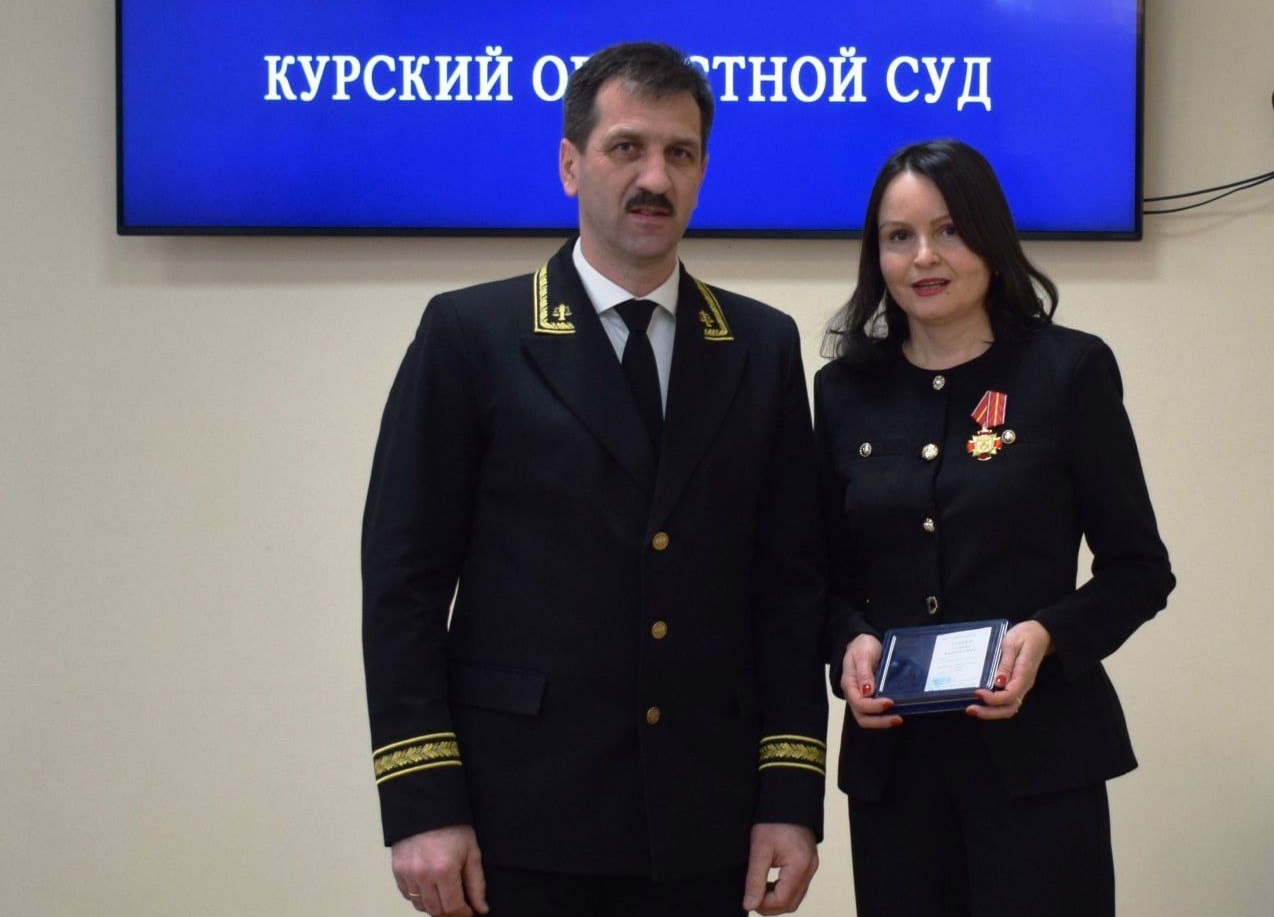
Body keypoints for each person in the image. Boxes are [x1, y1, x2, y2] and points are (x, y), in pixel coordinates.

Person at [362, 41, 827, 917]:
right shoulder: (472, 335)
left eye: (680, 153)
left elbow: (791, 589)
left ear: (702, 171)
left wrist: (790, 796)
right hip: (520, 818)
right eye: (627, 148)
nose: (655, 177)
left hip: (706, 820)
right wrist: (423, 802)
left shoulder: (760, 345)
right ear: (571, 165)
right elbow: (403, 584)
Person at [814, 140, 1174, 916]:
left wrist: (1048, 635)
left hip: (1040, 762)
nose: (924, 256)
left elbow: (1139, 570)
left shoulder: (1067, 372)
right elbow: (822, 577)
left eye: (949, 230)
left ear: (989, 235)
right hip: (896, 771)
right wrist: (849, 643)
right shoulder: (844, 392)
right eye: (899, 236)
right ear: (877, 255)